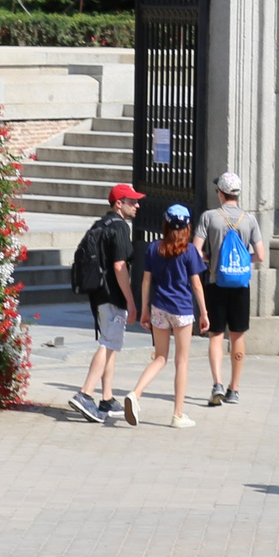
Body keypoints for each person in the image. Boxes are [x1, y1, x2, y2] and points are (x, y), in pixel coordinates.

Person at [119, 202, 208, 428]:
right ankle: (178, 414)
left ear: (165, 225)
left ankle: (135, 394)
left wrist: (144, 309)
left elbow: (146, 280)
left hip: (159, 307)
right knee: (182, 360)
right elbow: (196, 285)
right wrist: (204, 312)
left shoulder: (153, 248)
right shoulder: (189, 252)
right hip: (182, 310)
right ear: (188, 227)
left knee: (160, 357)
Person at [70, 183, 144, 424]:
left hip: (98, 293)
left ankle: (107, 399)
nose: (137, 205)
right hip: (112, 295)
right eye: (132, 201)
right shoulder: (120, 227)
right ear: (119, 203)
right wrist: (131, 302)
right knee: (109, 342)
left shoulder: (101, 224)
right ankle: (85, 394)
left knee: (112, 343)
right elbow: (120, 266)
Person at [197, 170, 266, 406]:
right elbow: (261, 255)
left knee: (216, 335)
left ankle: (216, 383)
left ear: (220, 192)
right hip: (240, 285)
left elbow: (195, 250)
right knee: (238, 335)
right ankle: (234, 388)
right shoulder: (249, 219)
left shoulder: (209, 217)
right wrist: (243, 262)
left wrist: (212, 261)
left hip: (216, 282)